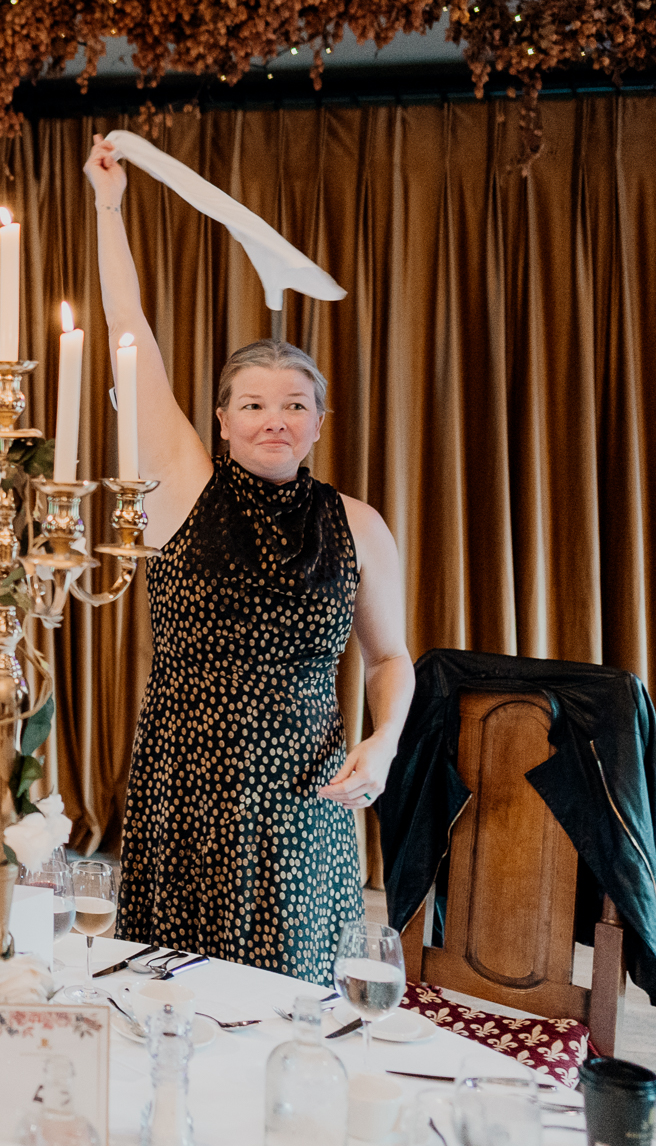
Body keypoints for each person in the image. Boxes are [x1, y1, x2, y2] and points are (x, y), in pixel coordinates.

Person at [85, 135, 414, 985]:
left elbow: (390, 658)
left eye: (296, 404)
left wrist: (382, 744)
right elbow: (131, 334)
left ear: (318, 423)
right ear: (222, 418)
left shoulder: (359, 525)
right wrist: (110, 209)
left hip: (304, 797)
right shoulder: (183, 488)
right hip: (184, 787)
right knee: (174, 1000)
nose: (277, 418)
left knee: (296, 1003)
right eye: (255, 403)